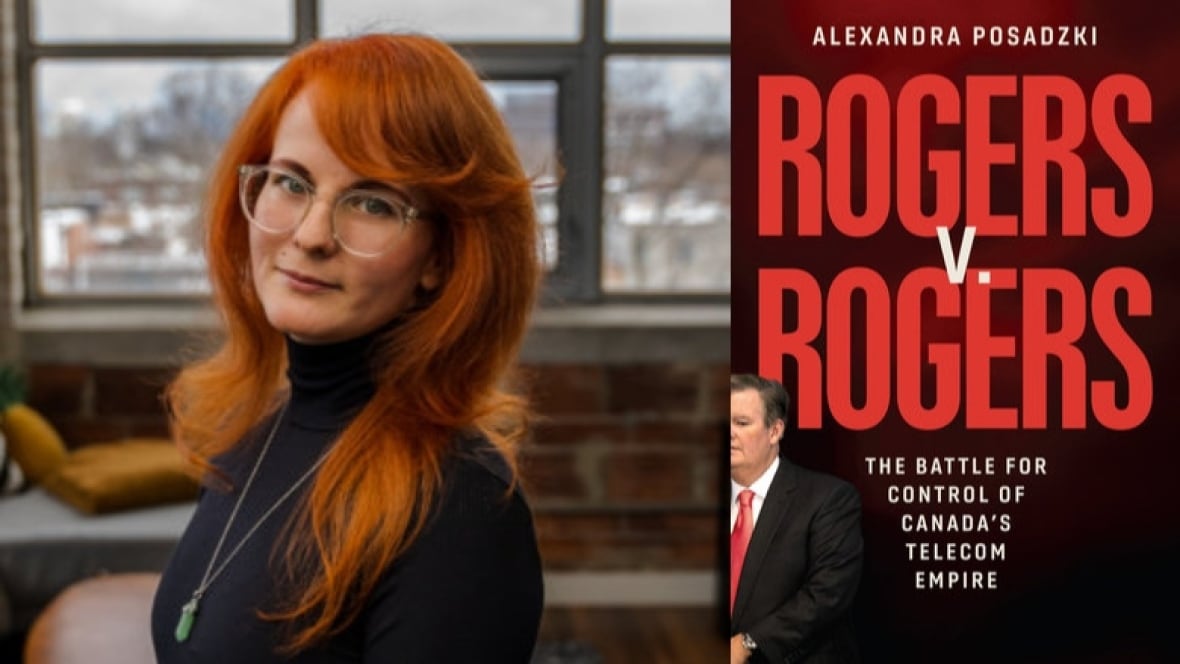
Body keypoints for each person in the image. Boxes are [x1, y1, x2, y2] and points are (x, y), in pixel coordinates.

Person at [150, 34, 543, 663]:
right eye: (291, 182)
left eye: (372, 203)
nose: (309, 235)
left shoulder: (460, 510)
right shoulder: (252, 433)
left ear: (442, 257)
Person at [729, 374, 862, 664]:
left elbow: (827, 594)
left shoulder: (829, 498)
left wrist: (747, 643)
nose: (729, 433)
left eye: (741, 423)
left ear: (775, 430)